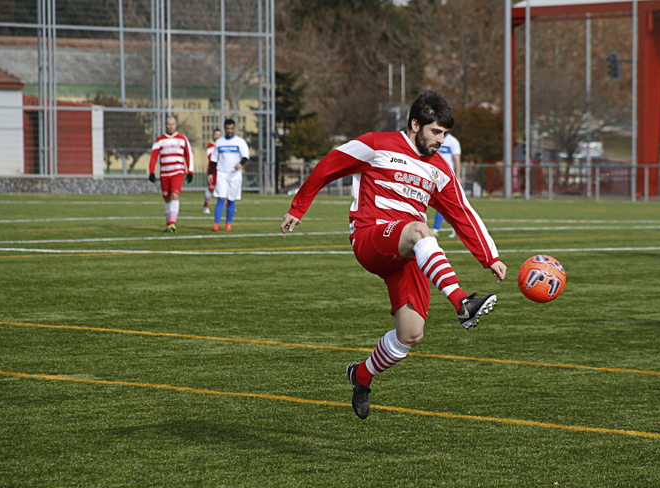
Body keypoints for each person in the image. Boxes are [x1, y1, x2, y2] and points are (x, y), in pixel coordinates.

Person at [280, 91, 507, 420]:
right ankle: (461, 302)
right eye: (436, 132)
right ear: (415, 125)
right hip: (371, 237)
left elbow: (462, 212)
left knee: (411, 334)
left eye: (445, 134)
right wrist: (298, 207)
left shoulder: (439, 169)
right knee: (419, 228)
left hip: (409, 252)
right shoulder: (376, 144)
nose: (441, 140)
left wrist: (490, 256)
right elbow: (329, 165)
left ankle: (360, 377)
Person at [149, 115, 194, 233]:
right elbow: (153, 156)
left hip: (178, 172)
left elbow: (189, 154)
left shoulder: (182, 139)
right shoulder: (160, 140)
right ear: (165, 125)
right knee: (167, 198)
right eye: (168, 124)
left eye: (173, 124)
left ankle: (173, 223)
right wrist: (152, 172)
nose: (170, 126)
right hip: (164, 174)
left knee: (175, 195)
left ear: (176, 125)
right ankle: (169, 224)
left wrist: (190, 171)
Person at [207, 119, 250, 232]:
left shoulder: (240, 142)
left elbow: (246, 156)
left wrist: (240, 163)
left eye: (231, 129)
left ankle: (228, 224)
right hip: (222, 174)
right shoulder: (219, 142)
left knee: (231, 199)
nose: (229, 130)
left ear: (234, 128)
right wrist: (211, 173)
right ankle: (216, 224)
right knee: (220, 198)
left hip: (235, 175)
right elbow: (214, 159)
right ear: (225, 128)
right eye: (227, 129)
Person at [431, 130, 462, 238]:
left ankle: (435, 230)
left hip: (445, 177)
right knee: (438, 204)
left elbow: (457, 159)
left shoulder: (453, 141)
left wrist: (458, 176)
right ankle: (454, 226)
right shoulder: (433, 138)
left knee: (440, 202)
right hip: (431, 175)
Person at [203, 127, 222, 214]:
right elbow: (211, 158)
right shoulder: (210, 146)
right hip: (213, 170)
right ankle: (205, 205)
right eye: (216, 135)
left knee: (224, 188)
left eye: (219, 135)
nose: (217, 136)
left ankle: (229, 206)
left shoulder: (223, 144)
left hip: (222, 170)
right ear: (213, 136)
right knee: (211, 188)